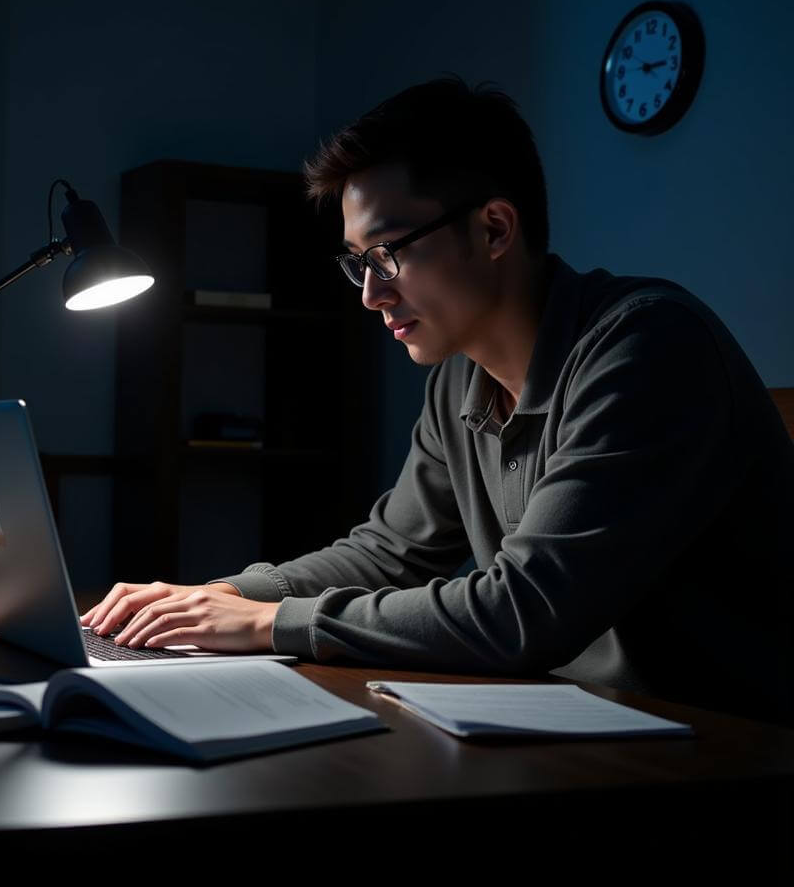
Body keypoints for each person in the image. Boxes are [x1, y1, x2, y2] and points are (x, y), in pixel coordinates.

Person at [81, 76, 794, 725]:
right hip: (582, 731)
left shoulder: (648, 347)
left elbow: (522, 612)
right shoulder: (461, 373)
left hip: (725, 748)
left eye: (387, 253)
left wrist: (268, 623)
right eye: (357, 263)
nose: (370, 294)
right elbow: (391, 552)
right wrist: (221, 596)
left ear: (493, 229)